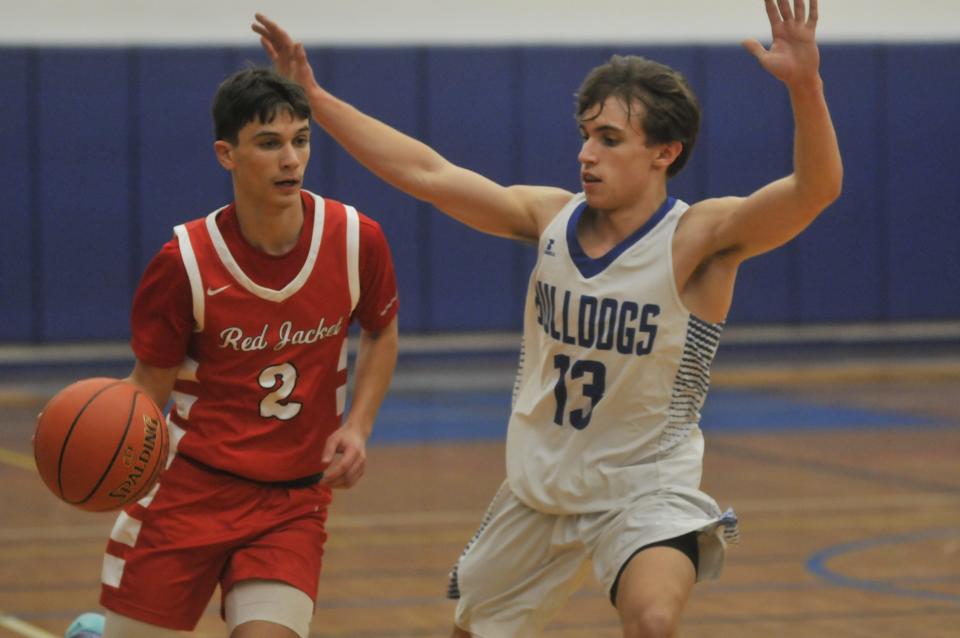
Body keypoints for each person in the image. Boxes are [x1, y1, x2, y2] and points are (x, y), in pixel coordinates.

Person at [253, 0, 840, 635]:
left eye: (610, 139)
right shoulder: (549, 216)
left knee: (653, 619)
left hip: (645, 488)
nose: (587, 153)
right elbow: (426, 172)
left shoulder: (700, 239)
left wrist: (805, 84)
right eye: (587, 134)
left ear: (665, 152)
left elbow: (815, 190)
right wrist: (313, 96)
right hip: (540, 487)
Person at [71, 67, 400, 638]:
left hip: (291, 502)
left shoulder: (355, 240)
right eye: (269, 144)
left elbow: (380, 331)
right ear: (227, 154)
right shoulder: (183, 263)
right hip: (190, 491)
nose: (290, 159)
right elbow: (149, 389)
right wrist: (102, 447)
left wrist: (358, 427)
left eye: (300, 140)